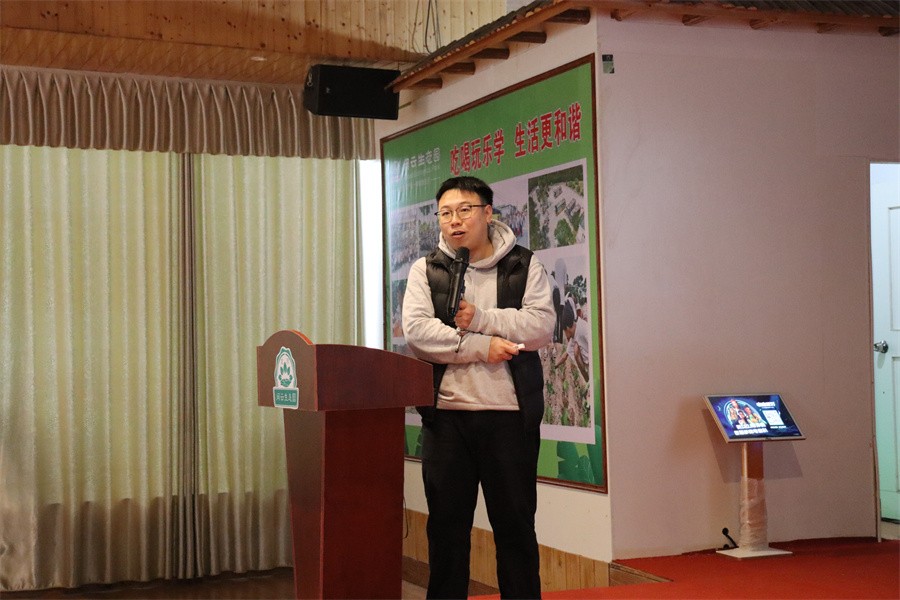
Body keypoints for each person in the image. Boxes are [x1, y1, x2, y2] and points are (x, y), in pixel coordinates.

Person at [402, 176, 555, 599]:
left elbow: (542, 326)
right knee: (446, 532)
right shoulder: (427, 269)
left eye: (464, 210)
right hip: (447, 421)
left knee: (515, 530)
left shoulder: (523, 265)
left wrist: (484, 319)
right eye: (445, 213)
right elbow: (418, 333)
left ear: (488, 213)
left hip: (509, 420)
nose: (454, 221)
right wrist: (481, 347)